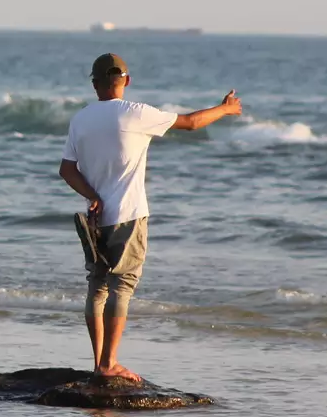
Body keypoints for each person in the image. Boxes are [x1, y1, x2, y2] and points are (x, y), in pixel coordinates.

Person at [58, 53, 241, 381]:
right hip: (128, 215)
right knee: (122, 286)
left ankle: (98, 363)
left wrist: (92, 196)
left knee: (97, 286)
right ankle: (108, 364)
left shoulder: (80, 119)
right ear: (126, 81)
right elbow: (193, 122)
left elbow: (67, 170)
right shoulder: (136, 114)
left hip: (95, 218)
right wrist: (226, 109)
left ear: (94, 84)